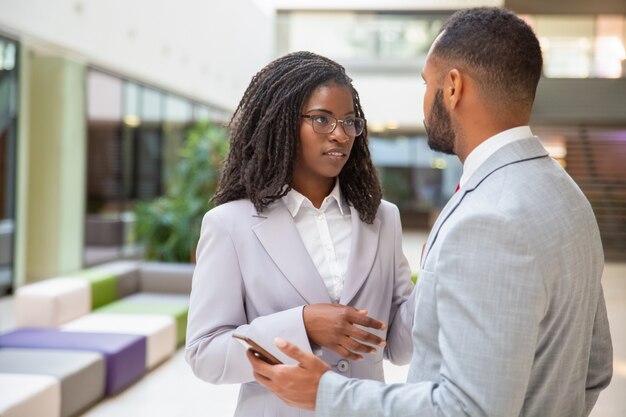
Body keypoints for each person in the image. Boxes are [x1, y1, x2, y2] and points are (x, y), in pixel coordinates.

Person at [248, 7, 613, 417]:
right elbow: (595, 370)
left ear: (453, 87)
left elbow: (468, 408)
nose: (424, 102)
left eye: (427, 83)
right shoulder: (570, 199)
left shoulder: (485, 220)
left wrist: (327, 393)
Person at [185, 51, 416, 416]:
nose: (340, 134)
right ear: (281, 123)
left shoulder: (383, 219)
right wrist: (302, 325)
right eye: (322, 119)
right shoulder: (230, 224)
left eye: (349, 121)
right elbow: (205, 354)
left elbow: (400, 347)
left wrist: (442, 267)